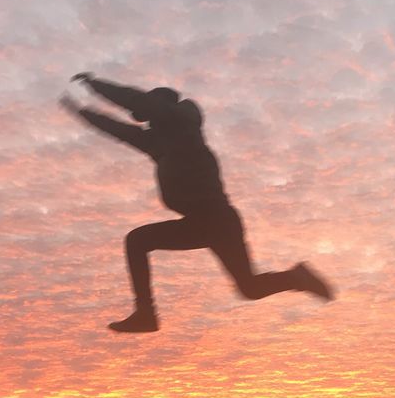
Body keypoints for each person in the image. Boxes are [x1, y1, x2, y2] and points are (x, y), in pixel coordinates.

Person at [59, 73, 333, 333]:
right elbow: (118, 130)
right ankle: (147, 314)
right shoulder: (158, 143)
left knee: (245, 285)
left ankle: (296, 278)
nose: (146, 120)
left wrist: (96, 85)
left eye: (150, 112)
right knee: (248, 288)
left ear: (162, 105)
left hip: (216, 218)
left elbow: (139, 101)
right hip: (200, 223)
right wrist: (81, 112)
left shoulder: (184, 120)